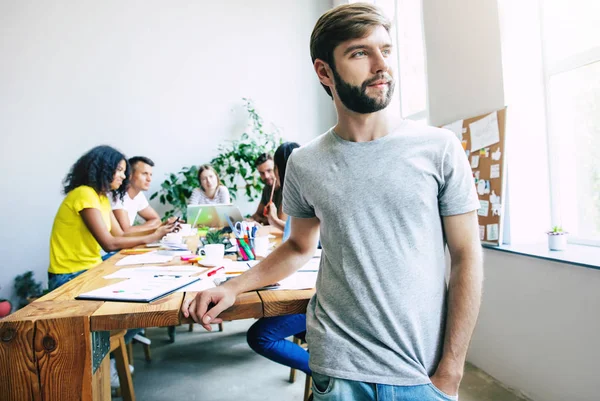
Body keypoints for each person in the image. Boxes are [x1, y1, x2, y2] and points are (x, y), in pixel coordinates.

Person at [183, 3, 483, 401]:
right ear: (324, 71)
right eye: (361, 52)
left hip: (422, 373)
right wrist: (233, 286)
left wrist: (452, 369)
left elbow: (466, 257)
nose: (382, 65)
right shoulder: (305, 162)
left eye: (387, 50)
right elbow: (297, 246)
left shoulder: (439, 148)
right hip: (338, 370)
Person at [48, 145, 177, 291]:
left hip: (91, 267)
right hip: (70, 274)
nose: (123, 176)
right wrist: (153, 236)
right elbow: (109, 244)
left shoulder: (101, 198)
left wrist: (160, 228)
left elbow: (121, 235)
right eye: (120, 171)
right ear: (104, 168)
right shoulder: (84, 194)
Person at [246, 142, 309, 374]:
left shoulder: (303, 196)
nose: (269, 176)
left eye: (273, 171)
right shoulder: (303, 191)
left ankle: (323, 373)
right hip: (306, 285)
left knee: (260, 335)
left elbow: (297, 244)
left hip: (319, 296)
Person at [111, 156, 165, 234]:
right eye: (144, 174)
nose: (149, 179)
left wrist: (134, 229)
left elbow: (157, 220)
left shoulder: (139, 195)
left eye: (150, 175)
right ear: (129, 175)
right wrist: (154, 229)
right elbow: (125, 231)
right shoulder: (117, 195)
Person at [250, 153, 286, 225]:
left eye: (269, 170)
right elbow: (257, 215)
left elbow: (280, 220)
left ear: (276, 169)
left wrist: (262, 220)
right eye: (262, 173)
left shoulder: (286, 188)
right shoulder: (267, 188)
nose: (266, 176)